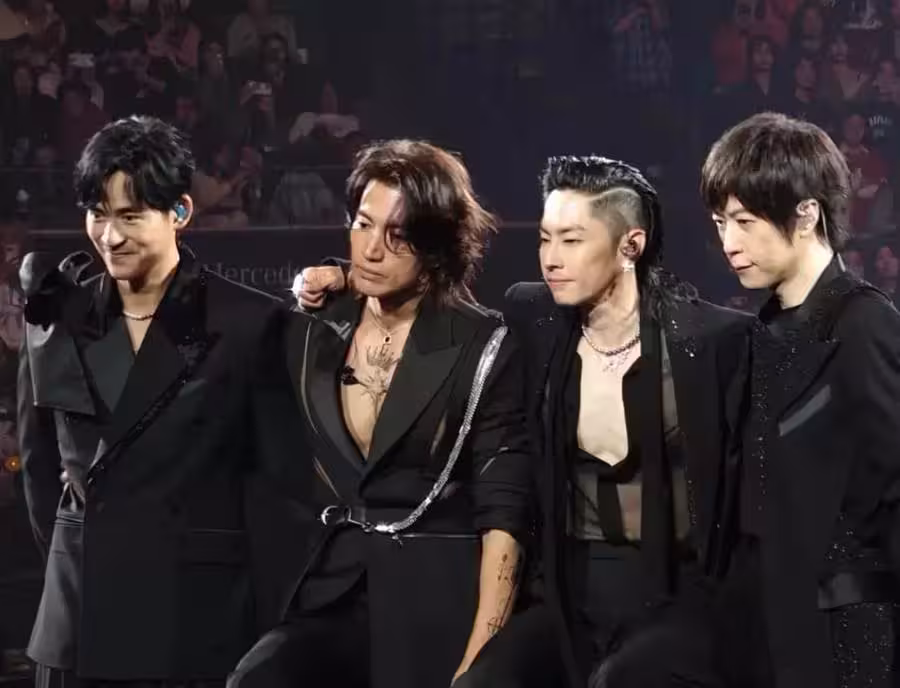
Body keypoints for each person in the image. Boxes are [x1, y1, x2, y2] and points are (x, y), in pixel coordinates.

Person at [297, 155, 751, 688]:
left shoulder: (713, 341)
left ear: (631, 245)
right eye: (544, 238)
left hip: (677, 593)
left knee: (624, 679)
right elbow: (434, 295)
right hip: (566, 591)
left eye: (572, 241)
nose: (551, 259)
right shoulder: (533, 315)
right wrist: (345, 276)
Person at [230, 139, 534, 688]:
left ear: (437, 243)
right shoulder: (312, 326)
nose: (371, 250)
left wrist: (479, 661)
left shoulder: (485, 345)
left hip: (434, 597)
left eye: (398, 235)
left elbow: (504, 516)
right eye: (363, 225)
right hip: (331, 589)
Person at [18, 116, 279, 687]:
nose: (110, 236)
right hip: (77, 621)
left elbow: (273, 491)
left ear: (180, 212)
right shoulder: (59, 317)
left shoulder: (246, 323)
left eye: (130, 216)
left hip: (190, 625)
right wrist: (81, 552)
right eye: (98, 214)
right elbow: (39, 468)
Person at [701, 111, 900, 687]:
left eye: (744, 221)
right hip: (760, 628)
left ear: (807, 213)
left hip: (846, 634)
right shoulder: (757, 333)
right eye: (720, 223)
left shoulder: (863, 324)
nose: (728, 243)